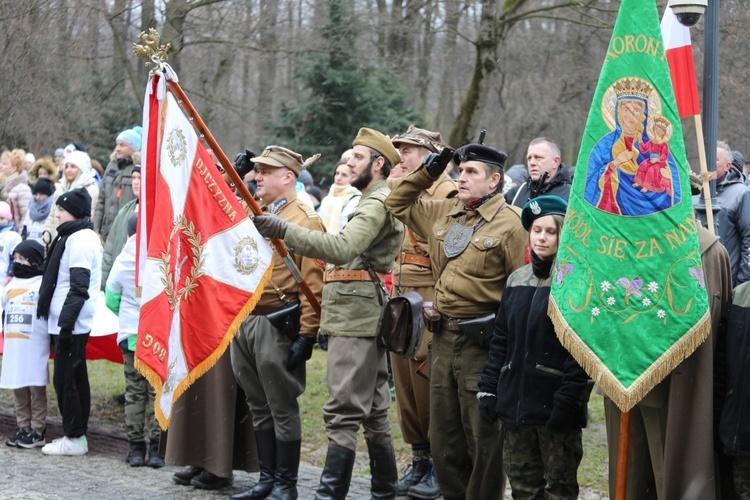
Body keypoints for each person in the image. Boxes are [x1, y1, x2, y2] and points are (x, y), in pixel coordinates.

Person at [254, 127, 404, 499]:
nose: (348, 161)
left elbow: (342, 248)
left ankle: (329, 494)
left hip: (355, 317)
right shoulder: (369, 198)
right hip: (357, 311)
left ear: (378, 163)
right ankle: (384, 491)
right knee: (373, 411)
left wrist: (284, 229)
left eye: (357, 157)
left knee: (342, 413)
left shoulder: (376, 201)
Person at [386, 140, 528, 499]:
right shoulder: (445, 212)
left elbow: (521, 292)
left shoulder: (511, 225)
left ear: (494, 181)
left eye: (471, 172)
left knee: (482, 440)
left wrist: (509, 358)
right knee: (444, 439)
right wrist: (429, 171)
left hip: (483, 346)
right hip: (441, 339)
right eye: (459, 171)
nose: (461, 178)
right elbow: (396, 202)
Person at [605, 173, 733, 499]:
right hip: (626, 380)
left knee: (671, 473)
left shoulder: (705, 250)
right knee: (632, 478)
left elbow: (716, 324)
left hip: (678, 386)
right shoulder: (628, 243)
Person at [229, 146, 325, 500]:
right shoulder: (258, 212)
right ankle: (267, 480)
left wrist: (308, 333)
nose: (257, 177)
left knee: (281, 406)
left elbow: (314, 283)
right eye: (257, 171)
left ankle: (286, 485)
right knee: (258, 404)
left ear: (288, 177)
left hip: (278, 322)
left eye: (266, 172)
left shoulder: (305, 219)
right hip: (248, 319)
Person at [479, 195, 589, 498]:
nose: (541, 238)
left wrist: (567, 403)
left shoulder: (575, 283)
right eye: (537, 230)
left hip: (553, 406)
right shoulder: (517, 280)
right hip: (515, 405)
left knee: (559, 488)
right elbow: (501, 340)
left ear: (563, 234)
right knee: (523, 488)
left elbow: (580, 354)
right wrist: (489, 387)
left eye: (550, 231)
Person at [387, 125, 456, 499]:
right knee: (405, 384)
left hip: (430, 292)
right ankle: (419, 458)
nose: (402, 156)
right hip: (402, 295)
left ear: (430, 154)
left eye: (410, 150)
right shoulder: (407, 188)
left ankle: (439, 465)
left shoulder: (446, 192)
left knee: (426, 379)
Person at [37, 187, 102, 456]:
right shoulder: (73, 236)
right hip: (67, 322)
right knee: (73, 376)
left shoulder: (81, 240)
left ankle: (75, 437)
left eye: (61, 209)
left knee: (67, 380)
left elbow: (78, 287)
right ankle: (77, 434)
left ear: (74, 211)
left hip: (71, 324)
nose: (57, 214)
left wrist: (65, 325)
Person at [584, 78, 680, 216]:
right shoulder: (604, 145)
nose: (631, 115)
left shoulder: (655, 143)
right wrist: (616, 163)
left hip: (655, 219)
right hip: (615, 220)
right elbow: (590, 183)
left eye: (636, 110)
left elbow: (673, 187)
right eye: (626, 110)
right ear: (618, 113)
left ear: (644, 115)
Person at [0, 239, 49, 449]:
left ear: (35, 262)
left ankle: (38, 430)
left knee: (35, 386)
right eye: (15, 259)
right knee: (18, 385)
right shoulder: (10, 286)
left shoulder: (41, 285)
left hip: (35, 344)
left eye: (23, 259)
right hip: (14, 346)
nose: (18, 263)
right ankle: (23, 426)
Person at [694, 141, 750, 287]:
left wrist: (741, 282)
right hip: (696, 280)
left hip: (727, 282)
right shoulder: (693, 193)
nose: (708, 163)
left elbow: (748, 239)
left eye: (715, 159)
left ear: (727, 166)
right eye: (706, 159)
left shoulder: (741, 194)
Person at [94, 127, 140, 241]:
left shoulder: (139, 168)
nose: (117, 149)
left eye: (122, 145)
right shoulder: (111, 166)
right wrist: (95, 228)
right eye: (117, 144)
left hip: (126, 233)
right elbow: (101, 200)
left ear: (133, 147)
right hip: (106, 232)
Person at [101, 164, 140, 286]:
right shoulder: (125, 210)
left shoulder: (155, 211)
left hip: (139, 282)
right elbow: (110, 248)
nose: (135, 182)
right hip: (119, 279)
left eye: (140, 178)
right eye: (133, 178)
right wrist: (105, 281)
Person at [47, 151, 99, 241]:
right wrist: (47, 233)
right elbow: (52, 214)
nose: (68, 170)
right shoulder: (60, 188)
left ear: (81, 169)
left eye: (73, 166)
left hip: (77, 238)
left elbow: (91, 217)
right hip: (56, 236)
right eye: (66, 166)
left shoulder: (91, 190)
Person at [506, 137, 572, 207]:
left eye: (538, 158)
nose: (532, 163)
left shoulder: (571, 196)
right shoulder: (516, 194)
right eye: (529, 158)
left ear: (555, 162)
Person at [318, 159, 361, 234]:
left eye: (344, 175)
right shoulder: (328, 199)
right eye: (337, 173)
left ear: (353, 177)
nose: (338, 178)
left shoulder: (356, 200)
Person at [1, 148, 32, 231]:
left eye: (4, 164)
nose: (1, 166)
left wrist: (20, 237)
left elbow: (25, 217)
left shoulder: (23, 189)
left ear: (14, 168)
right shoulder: (4, 185)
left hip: (14, 235)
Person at [22, 178, 55, 247]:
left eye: (41, 194)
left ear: (48, 194)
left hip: (44, 245)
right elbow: (24, 229)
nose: (38, 197)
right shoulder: (31, 208)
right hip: (29, 245)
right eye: (36, 194)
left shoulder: (52, 208)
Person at [0, 201, 22, 287]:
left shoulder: (13, 236)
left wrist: (11, 274)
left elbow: (15, 258)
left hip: (3, 279)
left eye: (2, 218)